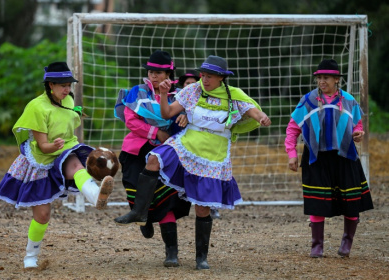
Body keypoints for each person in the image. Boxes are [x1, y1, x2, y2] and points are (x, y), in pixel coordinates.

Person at [114, 55, 271, 270]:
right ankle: (140, 212)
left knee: (202, 209)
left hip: (212, 155)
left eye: (209, 76)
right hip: (185, 145)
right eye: (203, 75)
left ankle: (201, 257)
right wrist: (162, 95)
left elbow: (251, 109)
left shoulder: (233, 95)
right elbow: (167, 112)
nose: (204, 80)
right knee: (154, 159)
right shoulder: (193, 90)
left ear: (222, 78)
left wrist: (261, 117)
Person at [0, 62, 114, 269]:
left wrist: (75, 114)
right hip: (42, 158)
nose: (67, 89)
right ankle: (30, 256)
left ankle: (96, 196)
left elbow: (69, 122)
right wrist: (53, 145)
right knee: (43, 216)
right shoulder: (36, 107)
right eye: (62, 85)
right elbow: (43, 146)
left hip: (65, 150)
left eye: (69, 85)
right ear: (50, 85)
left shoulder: (67, 100)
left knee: (76, 165)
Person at [284, 59, 374, 258]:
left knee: (351, 201)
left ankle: (347, 242)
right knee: (317, 201)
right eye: (319, 78)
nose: (321, 81)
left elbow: (357, 126)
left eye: (326, 78)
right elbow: (292, 129)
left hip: (345, 156)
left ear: (336, 79)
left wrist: (358, 134)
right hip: (317, 158)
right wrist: (292, 154)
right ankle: (317, 245)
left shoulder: (349, 100)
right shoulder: (308, 100)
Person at [114, 50, 191, 267]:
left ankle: (171, 253)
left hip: (168, 152)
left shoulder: (180, 96)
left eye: (159, 72)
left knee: (166, 200)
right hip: (136, 150)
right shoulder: (137, 92)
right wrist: (156, 133)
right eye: (151, 71)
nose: (154, 76)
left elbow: (189, 120)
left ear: (169, 74)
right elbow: (131, 120)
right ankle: (142, 217)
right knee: (135, 191)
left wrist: (185, 117)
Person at [178, 69, 221, 220]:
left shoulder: (209, 98)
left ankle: (212, 206)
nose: (190, 86)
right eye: (186, 83)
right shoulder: (178, 100)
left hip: (205, 146)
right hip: (183, 145)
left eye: (193, 83)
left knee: (207, 177)